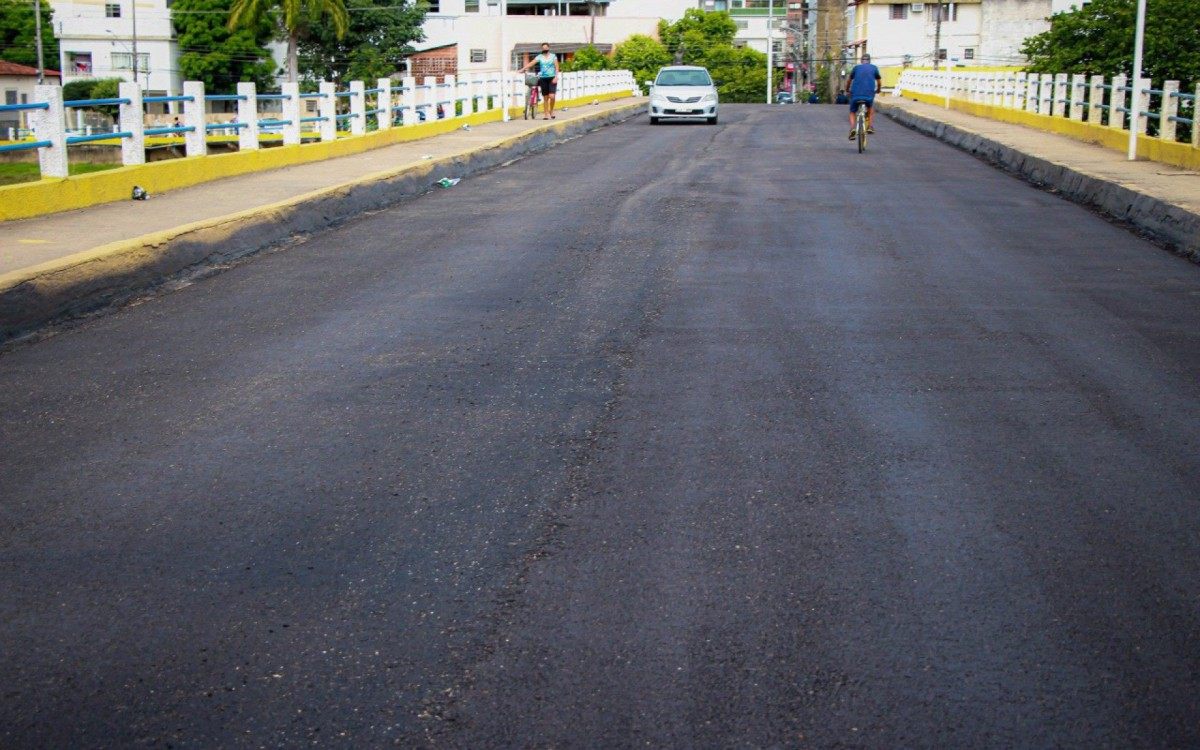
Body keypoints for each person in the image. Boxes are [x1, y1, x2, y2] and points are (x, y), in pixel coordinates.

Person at [846, 52, 882, 139]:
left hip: (855, 94)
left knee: (852, 111)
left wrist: (847, 90)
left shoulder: (856, 68)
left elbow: (849, 81)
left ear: (861, 61)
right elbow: (879, 82)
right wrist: (878, 89)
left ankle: (852, 128)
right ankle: (869, 126)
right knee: (870, 108)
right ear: (869, 61)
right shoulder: (874, 68)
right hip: (869, 94)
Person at [520, 43, 559, 120]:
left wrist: (556, 76)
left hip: (552, 78)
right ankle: (546, 114)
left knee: (552, 96)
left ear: (548, 48)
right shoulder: (539, 57)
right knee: (545, 97)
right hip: (543, 78)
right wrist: (523, 68)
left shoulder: (553, 56)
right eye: (543, 48)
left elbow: (557, 67)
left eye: (546, 48)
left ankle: (551, 110)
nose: (545, 49)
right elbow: (532, 63)